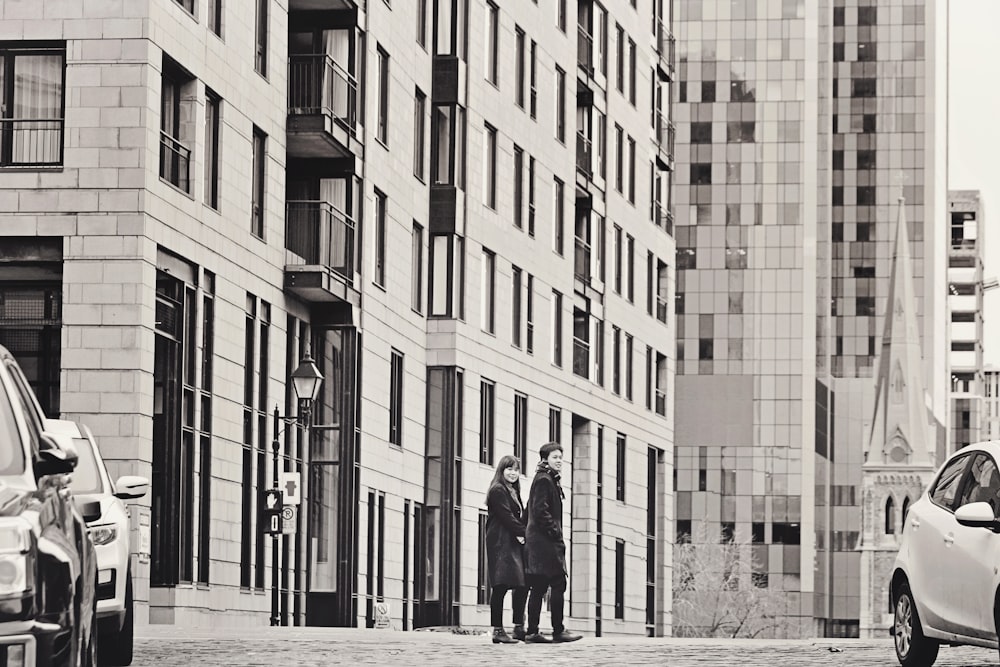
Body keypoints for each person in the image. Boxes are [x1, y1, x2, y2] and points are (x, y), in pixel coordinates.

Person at [523, 442, 582, 643]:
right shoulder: (544, 480)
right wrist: (555, 533)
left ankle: (533, 631)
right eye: (555, 457)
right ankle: (557, 630)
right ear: (545, 459)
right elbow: (540, 510)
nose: (559, 461)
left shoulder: (547, 478)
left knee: (539, 587)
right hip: (544, 542)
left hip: (542, 542)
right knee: (558, 582)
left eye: (561, 458)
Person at [485, 455, 529, 644]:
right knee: (501, 585)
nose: (513, 473)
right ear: (502, 471)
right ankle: (497, 630)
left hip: (511, 540)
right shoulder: (497, 490)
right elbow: (506, 515)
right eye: (509, 469)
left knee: (522, 583)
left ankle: (519, 626)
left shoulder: (512, 489)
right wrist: (523, 533)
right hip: (501, 541)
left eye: (516, 470)